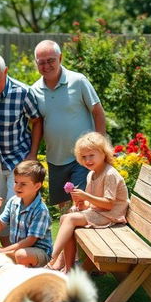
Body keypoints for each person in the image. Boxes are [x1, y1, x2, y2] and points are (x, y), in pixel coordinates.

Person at [31, 40, 106, 207]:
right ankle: (69, 234)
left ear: (60, 58)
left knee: (80, 204)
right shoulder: (34, 90)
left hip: (83, 158)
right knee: (63, 207)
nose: (46, 65)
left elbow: (98, 112)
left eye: (51, 60)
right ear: (36, 63)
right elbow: (38, 123)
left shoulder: (78, 81)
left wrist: (100, 147)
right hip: (55, 159)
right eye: (41, 62)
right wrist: (33, 153)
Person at [0, 52, 41, 247]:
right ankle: (9, 251)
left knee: (19, 208)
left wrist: (32, 154)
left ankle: (23, 252)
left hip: (18, 159)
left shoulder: (23, 92)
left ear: (6, 72)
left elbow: (37, 120)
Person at [48, 132, 128, 273]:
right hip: (101, 212)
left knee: (69, 220)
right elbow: (90, 204)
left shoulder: (110, 174)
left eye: (91, 155)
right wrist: (79, 204)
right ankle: (67, 267)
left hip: (111, 215)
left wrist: (85, 196)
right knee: (66, 218)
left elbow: (108, 204)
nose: (88, 160)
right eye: (84, 157)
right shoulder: (92, 174)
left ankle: (52, 257)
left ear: (103, 153)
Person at [0, 160, 52, 267]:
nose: (18, 187)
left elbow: (30, 242)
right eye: (16, 182)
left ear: (37, 186)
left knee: (21, 255)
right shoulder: (13, 201)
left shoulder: (41, 210)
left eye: (23, 184)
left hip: (38, 253)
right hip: (17, 250)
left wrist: (2, 252)